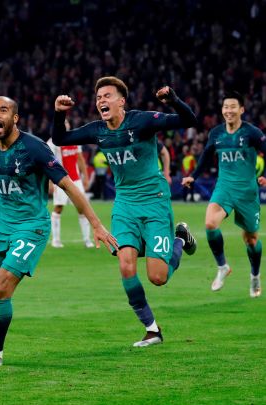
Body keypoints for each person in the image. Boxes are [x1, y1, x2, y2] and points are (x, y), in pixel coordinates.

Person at [0, 96, 117, 369]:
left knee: (1, 286)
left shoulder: (35, 148)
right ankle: (11, 269)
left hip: (31, 227)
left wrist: (97, 225)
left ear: (15, 118)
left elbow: (70, 187)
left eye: (3, 110)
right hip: (3, 226)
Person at [52, 76, 198, 347]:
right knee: (126, 265)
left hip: (154, 201)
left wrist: (174, 101)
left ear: (122, 101)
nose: (101, 101)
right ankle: (152, 329)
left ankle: (180, 238)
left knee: (157, 277)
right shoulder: (98, 130)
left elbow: (189, 121)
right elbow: (60, 138)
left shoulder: (142, 121)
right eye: (98, 98)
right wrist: (59, 114)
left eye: (107, 96)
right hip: (125, 205)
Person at [182, 91, 266, 298]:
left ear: (241, 110)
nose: (228, 110)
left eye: (233, 107)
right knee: (210, 224)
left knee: (251, 241)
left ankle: (255, 275)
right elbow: (205, 156)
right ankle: (222, 267)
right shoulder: (216, 133)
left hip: (247, 192)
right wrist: (193, 175)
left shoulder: (252, 133)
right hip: (224, 188)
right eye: (225, 107)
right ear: (222, 110)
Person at [47, 137, 94, 248]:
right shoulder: (52, 142)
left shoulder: (74, 138)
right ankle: (56, 240)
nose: (65, 124)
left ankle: (87, 240)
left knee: (82, 208)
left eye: (66, 122)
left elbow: (80, 159)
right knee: (58, 207)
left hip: (76, 180)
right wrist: (50, 181)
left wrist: (85, 178)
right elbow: (48, 163)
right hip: (60, 179)